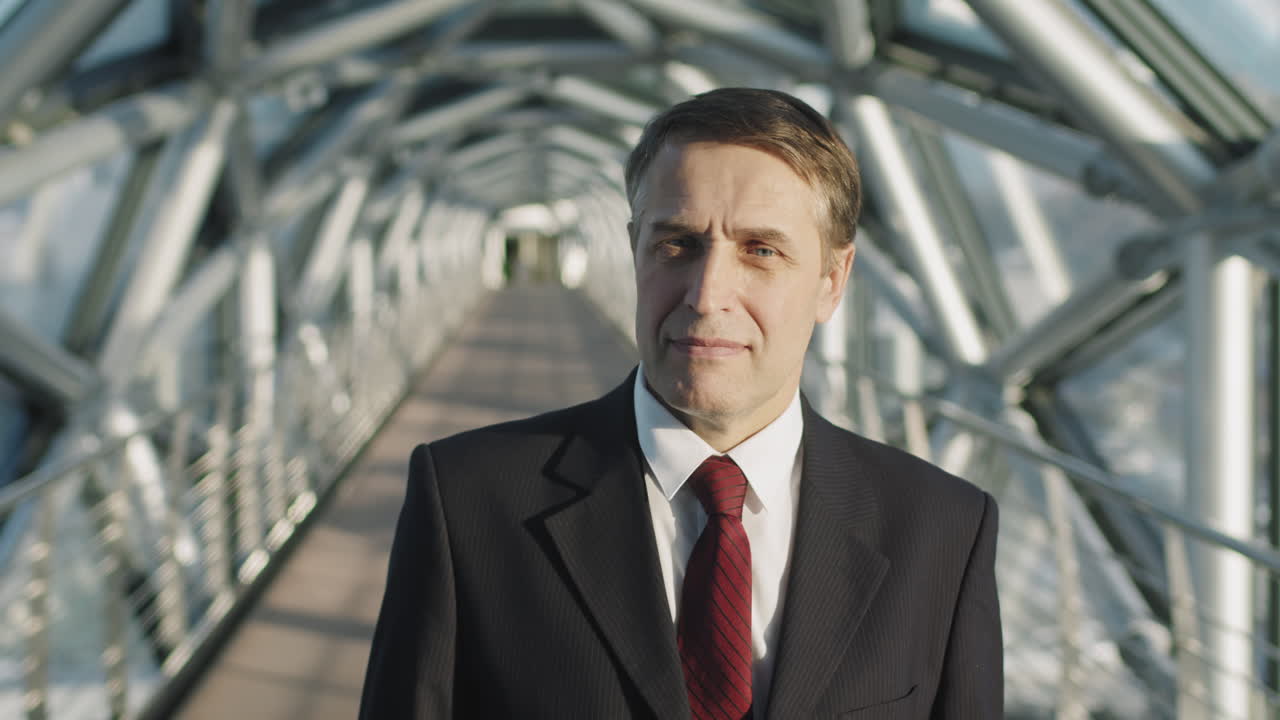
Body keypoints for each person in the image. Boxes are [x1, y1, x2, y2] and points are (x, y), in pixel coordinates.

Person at [359, 87, 1002, 719]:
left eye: (761, 251)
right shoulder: (469, 501)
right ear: (635, 249)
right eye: (677, 244)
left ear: (831, 284)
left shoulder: (942, 529)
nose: (706, 294)